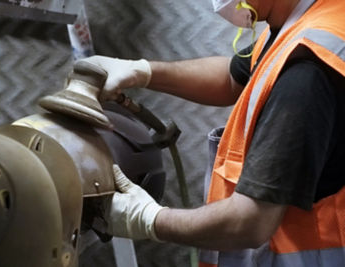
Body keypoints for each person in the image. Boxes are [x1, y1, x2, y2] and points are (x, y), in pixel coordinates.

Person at [80, 0, 345, 266]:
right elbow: (231, 79)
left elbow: (249, 223)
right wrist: (141, 71)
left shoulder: (307, 74)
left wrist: (150, 220)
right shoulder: (310, 18)